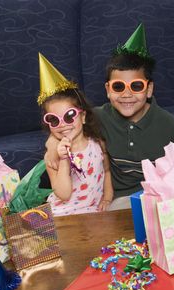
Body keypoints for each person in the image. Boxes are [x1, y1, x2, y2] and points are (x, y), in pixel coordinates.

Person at [45, 24, 174, 210]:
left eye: (136, 86)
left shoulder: (171, 126)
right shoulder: (98, 116)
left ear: (149, 89)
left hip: (158, 197)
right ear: (107, 90)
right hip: (119, 199)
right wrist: (51, 146)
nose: (127, 94)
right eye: (118, 87)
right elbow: (65, 123)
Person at [38, 53, 113, 216]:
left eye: (69, 115)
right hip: (64, 214)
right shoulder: (53, 157)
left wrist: (107, 198)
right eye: (53, 119)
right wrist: (64, 160)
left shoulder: (97, 143)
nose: (63, 124)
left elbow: (106, 171)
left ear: (83, 116)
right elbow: (64, 194)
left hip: (93, 210)